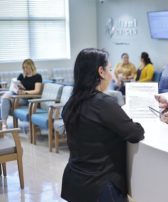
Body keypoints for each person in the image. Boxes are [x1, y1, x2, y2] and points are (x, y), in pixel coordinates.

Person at [61, 48, 144, 202]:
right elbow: (135, 133)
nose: (112, 75)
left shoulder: (70, 104)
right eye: (110, 69)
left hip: (75, 182)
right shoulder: (103, 104)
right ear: (101, 71)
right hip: (101, 186)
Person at [0, 59, 42, 129]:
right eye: (23, 68)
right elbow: (16, 87)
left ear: (31, 67)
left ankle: (3, 123)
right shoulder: (21, 76)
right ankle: (4, 123)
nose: (25, 69)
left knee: (5, 101)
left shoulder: (37, 76)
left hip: (27, 98)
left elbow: (37, 91)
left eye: (26, 67)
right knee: (5, 98)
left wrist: (25, 92)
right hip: (17, 95)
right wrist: (17, 89)